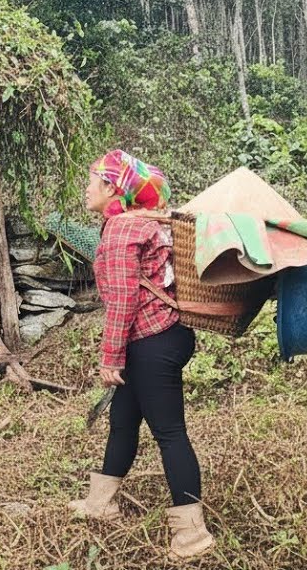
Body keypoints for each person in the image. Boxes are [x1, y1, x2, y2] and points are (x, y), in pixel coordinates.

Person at [66, 150, 215, 560]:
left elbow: (122, 300)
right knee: (123, 420)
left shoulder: (121, 229)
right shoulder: (147, 221)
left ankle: (193, 535)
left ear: (112, 187)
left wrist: (110, 357)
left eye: (92, 180)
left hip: (151, 340)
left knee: (169, 433)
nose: (87, 188)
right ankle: (101, 503)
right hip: (164, 335)